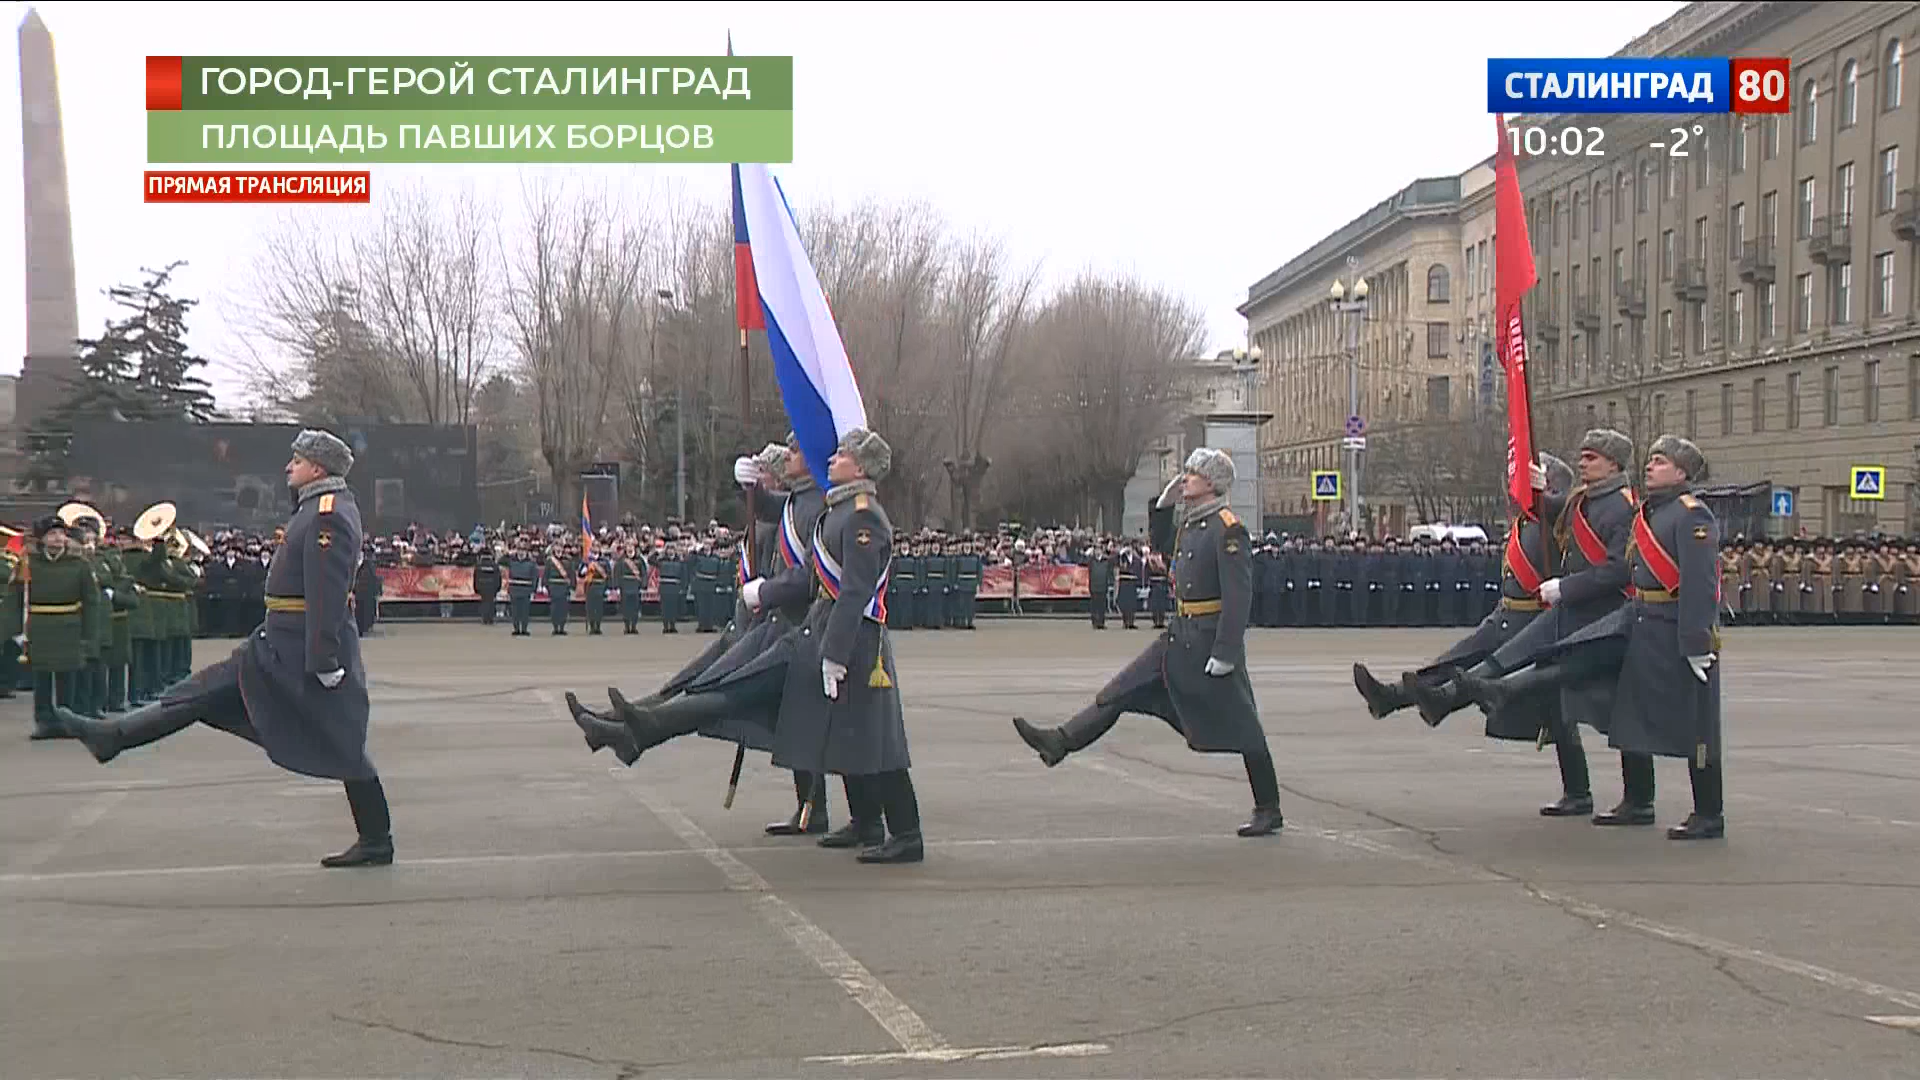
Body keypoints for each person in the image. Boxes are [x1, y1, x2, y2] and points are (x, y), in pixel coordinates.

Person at [51, 429, 395, 868]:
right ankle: (114, 736)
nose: (288, 466)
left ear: (318, 468)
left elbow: (326, 593)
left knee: (342, 738)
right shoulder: (315, 508)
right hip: (278, 641)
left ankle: (377, 839)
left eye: (297, 459)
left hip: (301, 646)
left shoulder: (326, 514)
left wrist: (324, 658)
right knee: (202, 692)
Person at [1441, 436, 1726, 840]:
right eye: (1652, 461)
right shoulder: (1651, 512)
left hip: (1674, 625)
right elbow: (1568, 516)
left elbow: (1700, 584)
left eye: (1660, 462)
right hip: (1642, 618)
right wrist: (1537, 490)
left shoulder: (1692, 517)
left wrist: (1698, 641)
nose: (1651, 467)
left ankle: (1709, 813)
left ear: (1681, 473)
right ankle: (1637, 800)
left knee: (1698, 724)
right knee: (1629, 709)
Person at [568, 437, 842, 836]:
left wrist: (765, 592)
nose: (789, 458)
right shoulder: (801, 501)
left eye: (795, 452)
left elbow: (805, 575)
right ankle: (623, 726)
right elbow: (771, 509)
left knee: (719, 693)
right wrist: (751, 487)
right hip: (767, 627)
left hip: (789, 629)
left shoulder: (817, 504)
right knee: (706, 689)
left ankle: (635, 729)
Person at [1011, 448, 1282, 838]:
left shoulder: (1228, 529)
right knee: (1119, 691)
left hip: (1208, 642)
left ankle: (1269, 807)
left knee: (1244, 726)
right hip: (1179, 636)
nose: (1185, 477)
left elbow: (1238, 599)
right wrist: (1162, 507)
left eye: (1193, 473)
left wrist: (1225, 652)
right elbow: (1162, 547)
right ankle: (1060, 741)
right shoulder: (1194, 524)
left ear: (1212, 483)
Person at [1407, 428, 1645, 824]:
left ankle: (1638, 799)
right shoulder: (1582, 500)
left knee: (1617, 706)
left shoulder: (1622, 506)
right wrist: (1533, 489)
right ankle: (1451, 695)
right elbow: (1548, 510)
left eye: (1592, 457)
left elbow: (1620, 569)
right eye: (1582, 456)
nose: (1583, 461)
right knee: (1509, 656)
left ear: (1613, 464)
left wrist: (1565, 586)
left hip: (1606, 614)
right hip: (1572, 609)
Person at [1351, 452, 1595, 815]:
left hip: (1534, 620)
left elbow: (1565, 523)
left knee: (1553, 709)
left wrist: (1543, 494)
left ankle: (1579, 792)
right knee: (1455, 662)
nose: (1514, 492)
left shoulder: (1557, 518)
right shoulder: (1526, 522)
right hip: (1508, 615)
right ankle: (1394, 697)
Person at [8, 516, 102, 739]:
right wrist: (14, 630)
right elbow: (16, 598)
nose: (58, 538)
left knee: (67, 676)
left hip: (69, 625)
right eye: (52, 534)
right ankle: (44, 721)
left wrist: (90, 634)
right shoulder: (29, 563)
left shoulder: (79, 564)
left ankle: (67, 720)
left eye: (61, 533)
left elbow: (91, 601)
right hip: (40, 626)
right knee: (42, 677)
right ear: (42, 539)